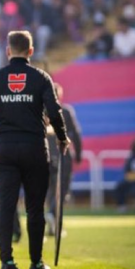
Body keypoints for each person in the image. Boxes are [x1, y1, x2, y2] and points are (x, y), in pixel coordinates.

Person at [0, 31, 69, 269]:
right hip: (35, 148)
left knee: (5, 207)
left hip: (4, 149)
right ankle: (36, 263)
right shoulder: (41, 77)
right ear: (31, 51)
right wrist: (61, 136)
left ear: (8, 51)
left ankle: (7, 261)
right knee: (35, 208)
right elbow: (55, 113)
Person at [45, 83, 83, 236]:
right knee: (62, 190)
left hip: (45, 155)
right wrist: (79, 154)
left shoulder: (41, 111)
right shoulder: (66, 111)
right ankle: (53, 214)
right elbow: (76, 134)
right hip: (63, 155)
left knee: (49, 190)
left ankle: (52, 224)